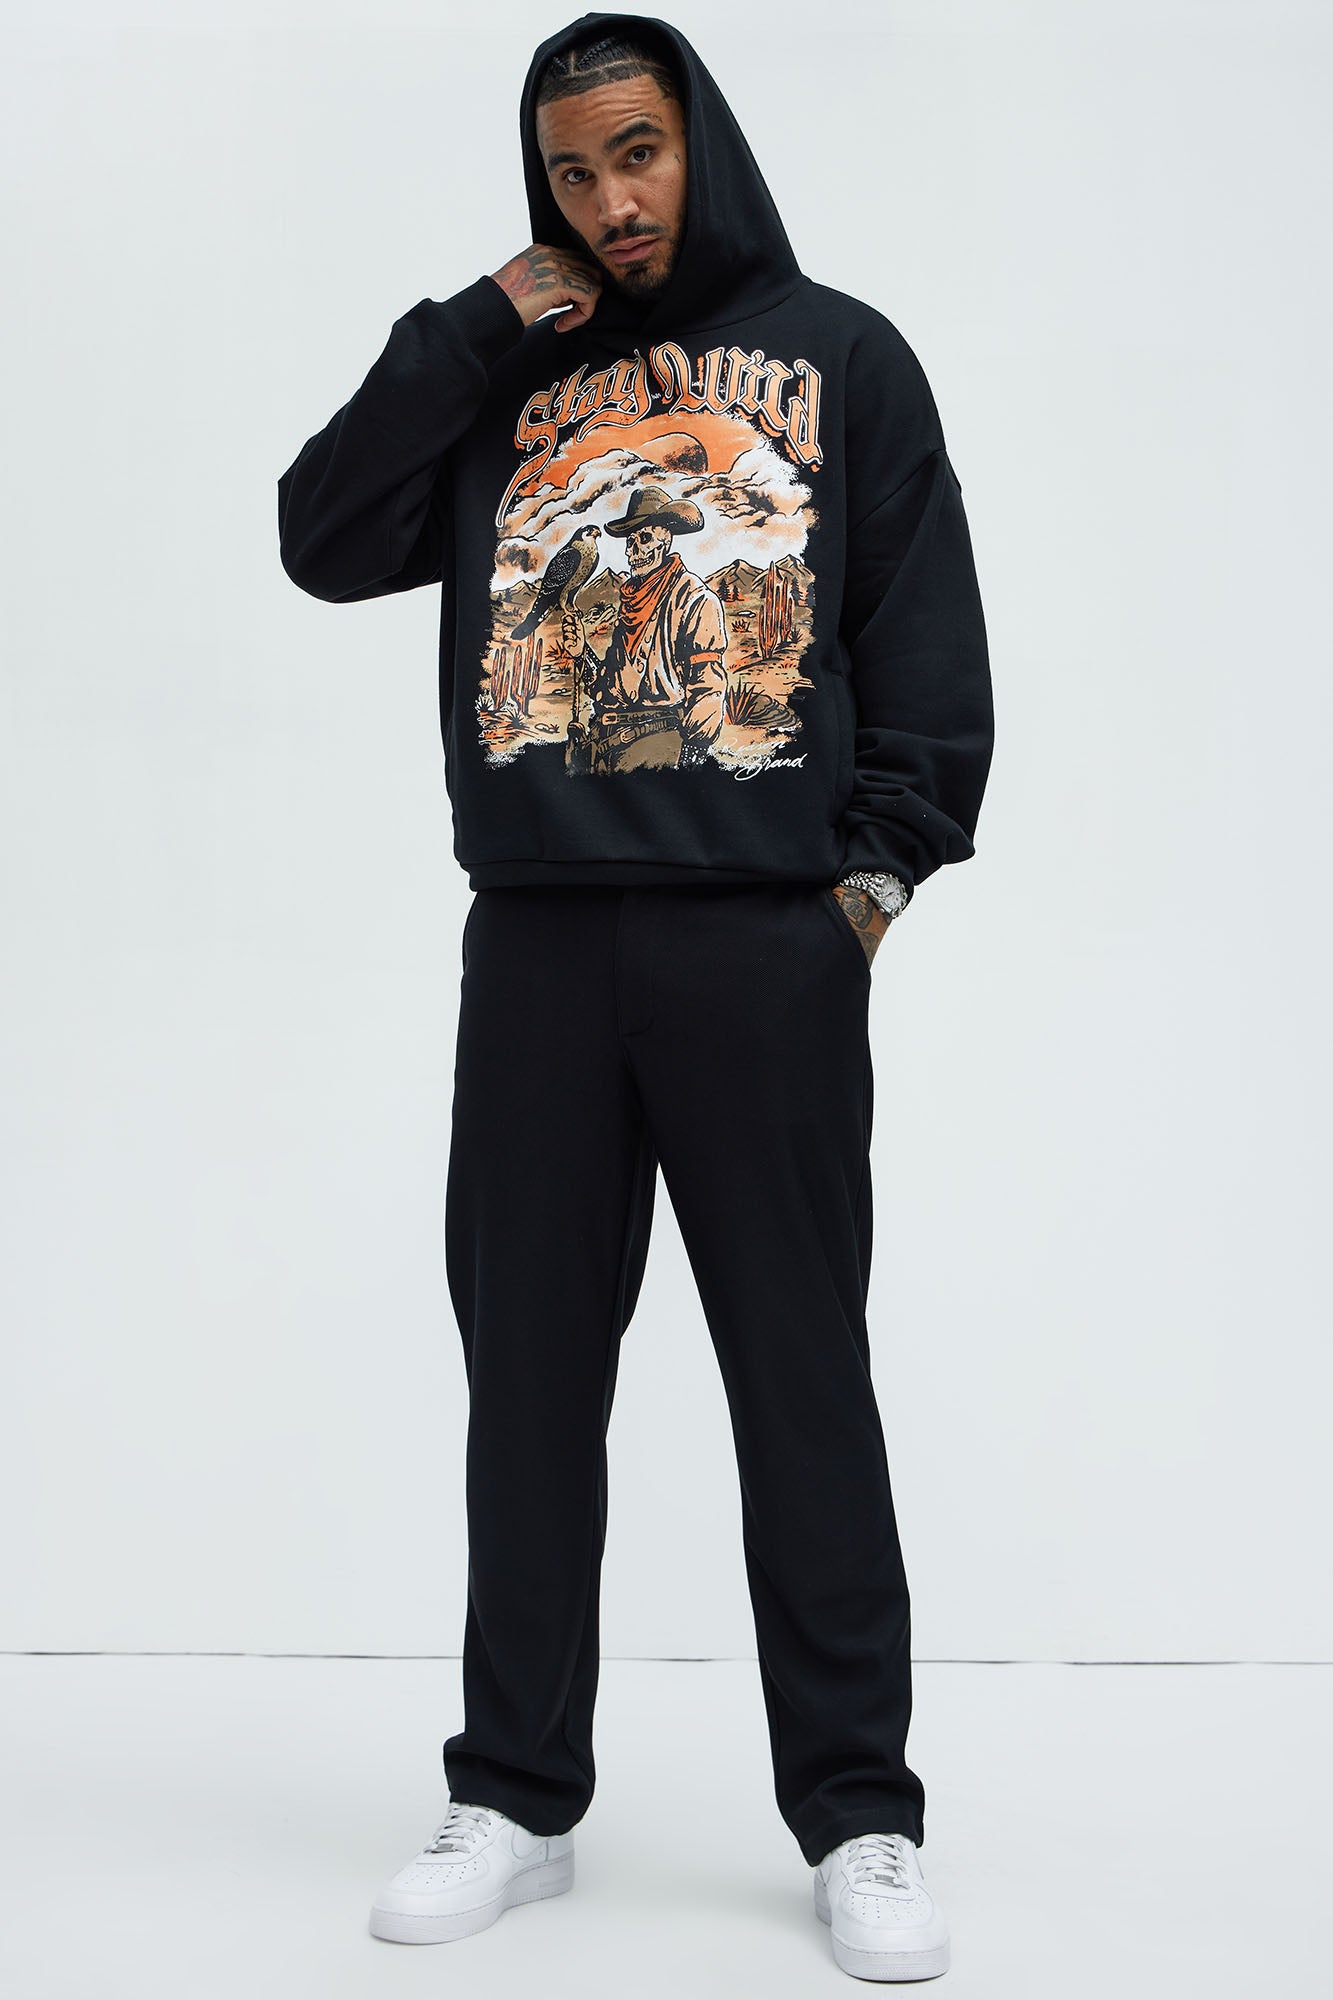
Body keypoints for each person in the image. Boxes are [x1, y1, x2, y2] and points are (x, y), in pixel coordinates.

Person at [277, 11, 993, 1983]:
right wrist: (467, 328)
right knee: (527, 1385)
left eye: (639, 153)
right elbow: (320, 539)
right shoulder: (503, 372)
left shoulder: (841, 357)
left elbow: (926, 650)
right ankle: (513, 1795)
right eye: (574, 169)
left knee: (800, 1382)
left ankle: (858, 1814)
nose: (611, 199)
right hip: (535, 944)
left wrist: (859, 895)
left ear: (701, 143)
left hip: (760, 947)